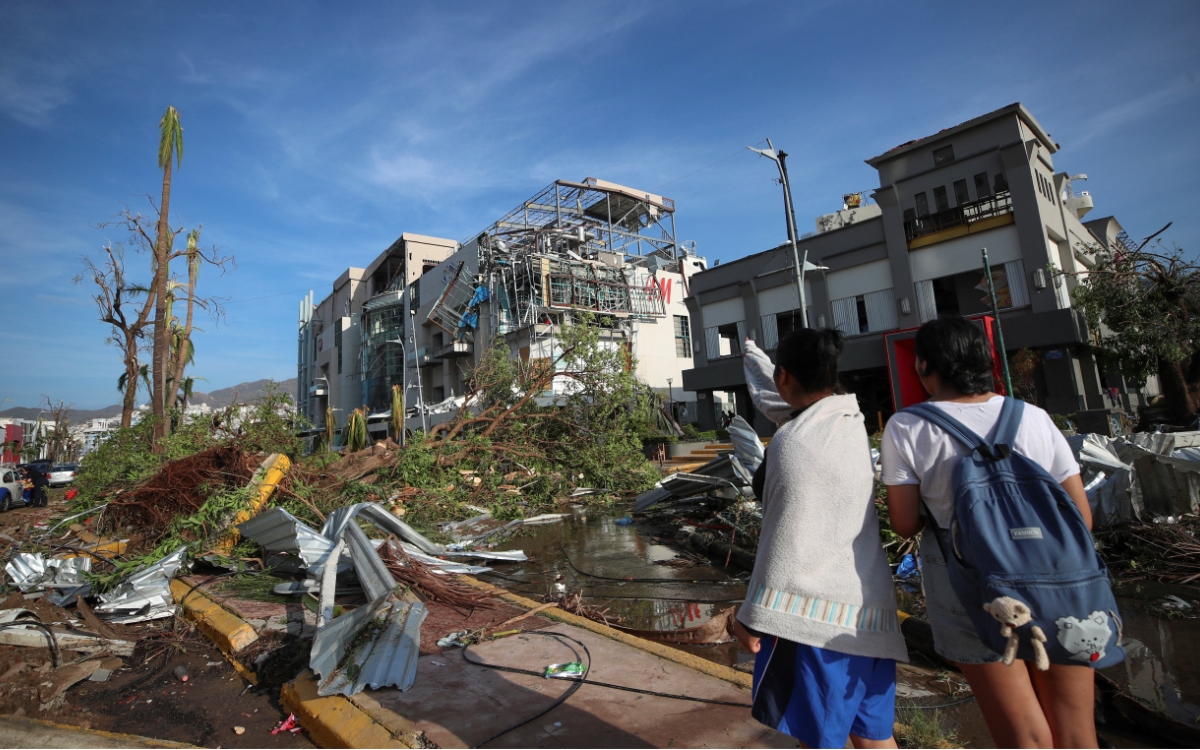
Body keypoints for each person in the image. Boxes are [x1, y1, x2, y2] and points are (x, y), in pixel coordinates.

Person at [881, 316, 1096, 748]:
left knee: (1024, 735)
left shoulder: (907, 427)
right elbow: (1081, 516)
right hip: (1059, 577)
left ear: (924, 366)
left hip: (970, 583)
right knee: (1076, 731)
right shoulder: (1034, 418)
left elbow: (904, 524)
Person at [733, 328, 907, 750]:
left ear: (785, 376)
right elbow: (780, 401)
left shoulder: (791, 442)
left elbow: (784, 538)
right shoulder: (850, 421)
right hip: (870, 616)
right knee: (874, 738)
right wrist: (754, 356)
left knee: (817, 738)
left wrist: (750, 613)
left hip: (815, 623)